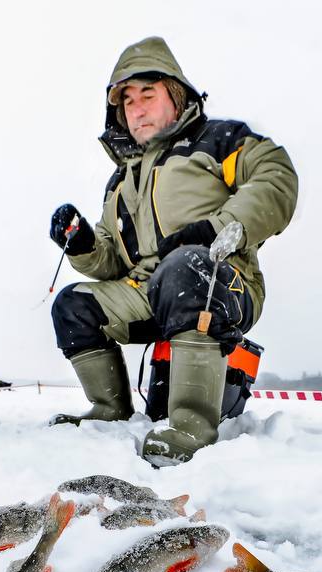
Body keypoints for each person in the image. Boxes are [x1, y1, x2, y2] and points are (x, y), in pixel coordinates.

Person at [48, 36, 297, 465]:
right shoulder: (120, 181)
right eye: (127, 101)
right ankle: (109, 412)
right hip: (148, 292)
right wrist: (84, 244)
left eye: (148, 94)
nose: (137, 108)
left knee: (185, 267)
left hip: (222, 280)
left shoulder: (219, 140)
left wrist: (219, 228)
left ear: (175, 94)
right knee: (74, 304)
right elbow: (111, 261)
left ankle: (190, 427)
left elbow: (276, 176)